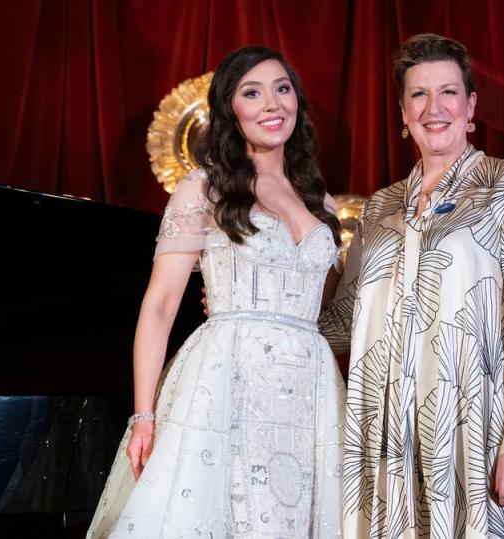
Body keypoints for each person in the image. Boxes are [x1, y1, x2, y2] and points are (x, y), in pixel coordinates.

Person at [87, 46, 346, 538]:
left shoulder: (322, 201)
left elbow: (326, 307)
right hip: (226, 380)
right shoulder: (203, 188)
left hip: (309, 391)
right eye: (253, 93)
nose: (272, 104)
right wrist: (143, 414)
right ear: (231, 110)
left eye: (282, 89)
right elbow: (160, 305)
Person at [320, 34, 504, 538]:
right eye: (418, 94)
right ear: (403, 112)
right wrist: (265, 315)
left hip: (480, 427)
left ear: (471, 106)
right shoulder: (379, 209)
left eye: (448, 92)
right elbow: (346, 322)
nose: (434, 108)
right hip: (385, 435)